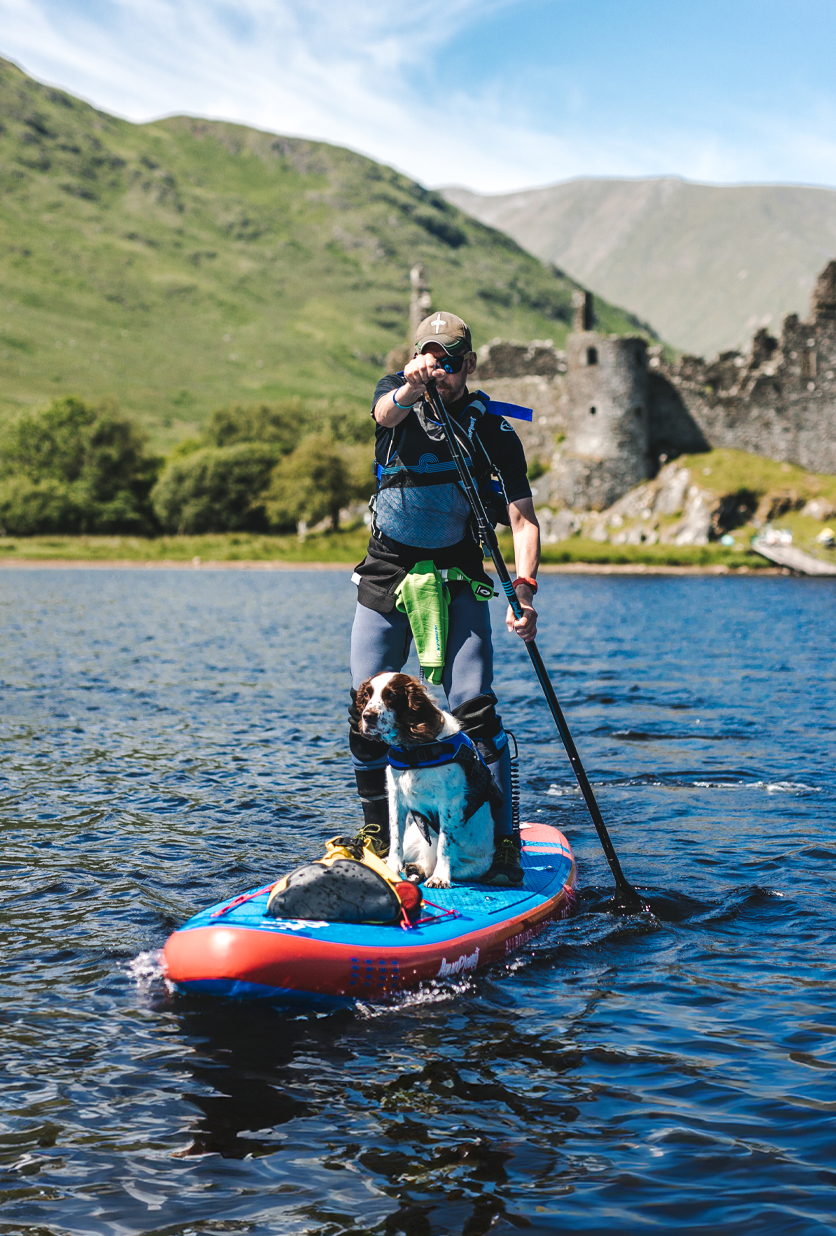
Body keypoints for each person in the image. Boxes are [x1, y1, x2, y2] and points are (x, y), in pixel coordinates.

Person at [348, 311, 540, 886]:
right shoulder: (394, 396)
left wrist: (524, 593)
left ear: (470, 364)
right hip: (386, 570)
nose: (439, 371)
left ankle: (503, 841)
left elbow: (523, 523)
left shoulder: (494, 428)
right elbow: (386, 411)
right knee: (364, 714)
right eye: (429, 358)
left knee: (475, 711)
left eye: (450, 362)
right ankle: (379, 839)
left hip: (458, 571)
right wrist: (411, 383)